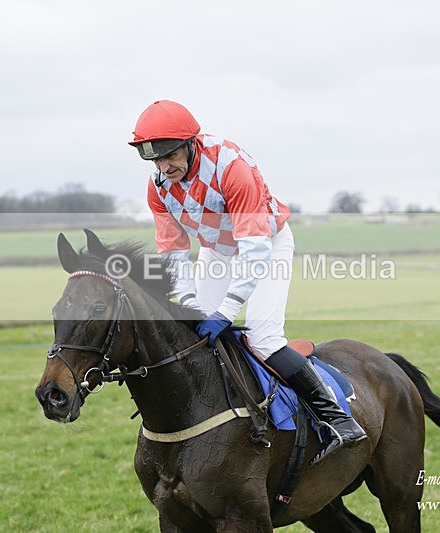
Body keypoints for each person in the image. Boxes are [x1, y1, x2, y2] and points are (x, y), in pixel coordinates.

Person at [129, 100, 366, 464]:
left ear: (191, 143)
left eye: (170, 155)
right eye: (155, 160)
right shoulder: (159, 186)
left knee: (263, 336)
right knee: (193, 333)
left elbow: (253, 250)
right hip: (217, 251)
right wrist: (190, 304)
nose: (164, 167)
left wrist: (226, 310)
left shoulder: (231, 167)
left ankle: (336, 419)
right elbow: (174, 253)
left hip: (264, 245)